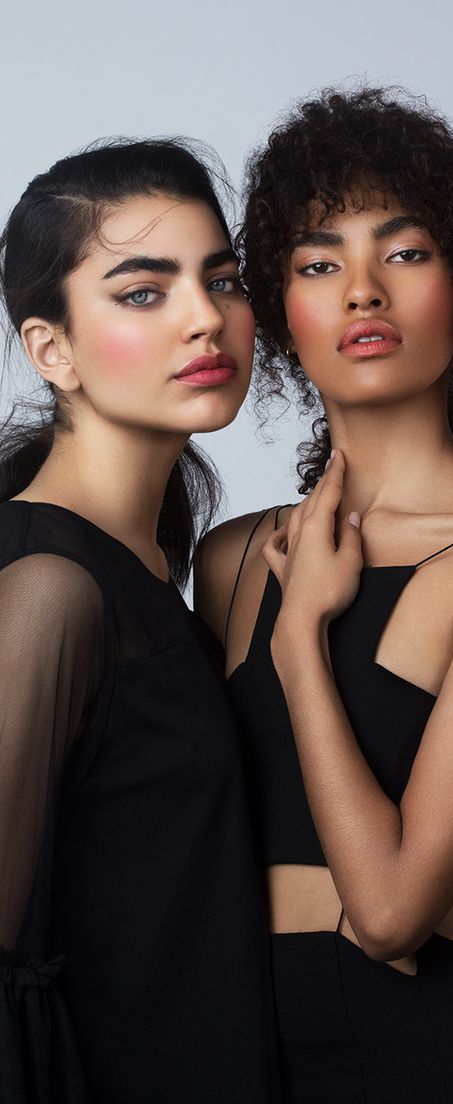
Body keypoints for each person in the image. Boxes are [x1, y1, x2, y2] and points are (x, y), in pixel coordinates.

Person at [196, 87, 453, 1102]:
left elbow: (394, 914)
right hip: (242, 1041)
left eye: (403, 254)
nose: (361, 291)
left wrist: (300, 648)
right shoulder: (231, 559)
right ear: (280, 309)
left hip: (442, 1050)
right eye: (319, 264)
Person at [0, 140, 276, 1102]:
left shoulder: (163, 560)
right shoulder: (48, 589)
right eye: (143, 291)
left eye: (223, 278)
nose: (208, 318)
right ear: (53, 350)